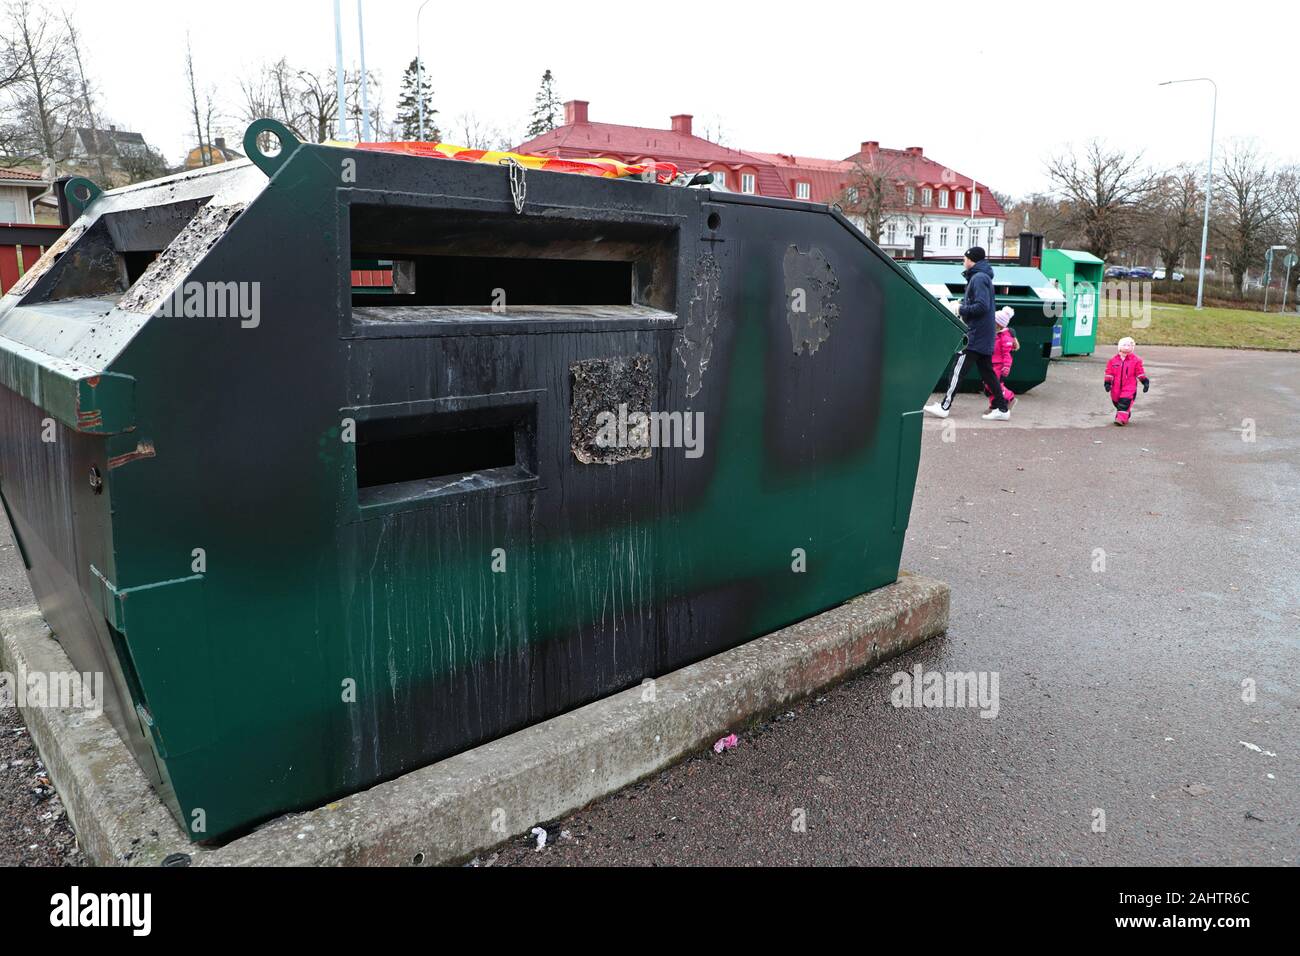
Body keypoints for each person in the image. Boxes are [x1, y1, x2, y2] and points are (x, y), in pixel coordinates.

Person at [924, 247, 1010, 421]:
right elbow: (982, 305)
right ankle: (1002, 408)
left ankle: (944, 406)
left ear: (972, 260)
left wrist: (959, 308)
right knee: (988, 373)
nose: (963, 262)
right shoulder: (983, 277)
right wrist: (962, 304)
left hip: (975, 334)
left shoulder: (978, 278)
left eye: (965, 259)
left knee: (958, 368)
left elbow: (981, 306)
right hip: (984, 333)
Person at [1104, 336, 1150, 425]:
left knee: (1125, 401)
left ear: (1132, 347)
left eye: (1129, 345)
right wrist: (1107, 382)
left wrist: (1145, 381)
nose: (1126, 347)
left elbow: (1139, 372)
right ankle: (1125, 413)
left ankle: (1120, 419)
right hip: (1116, 387)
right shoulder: (1113, 360)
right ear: (1119, 347)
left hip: (1129, 386)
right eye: (1124, 345)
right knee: (1116, 401)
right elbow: (1109, 372)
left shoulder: (1136, 360)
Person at [987, 306, 1018, 411]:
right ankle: (994, 405)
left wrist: (1006, 366)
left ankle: (1010, 397)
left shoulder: (1005, 337)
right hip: (992, 363)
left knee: (994, 385)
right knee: (988, 385)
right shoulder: (995, 334)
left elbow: (1007, 354)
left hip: (999, 366)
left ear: (998, 325)